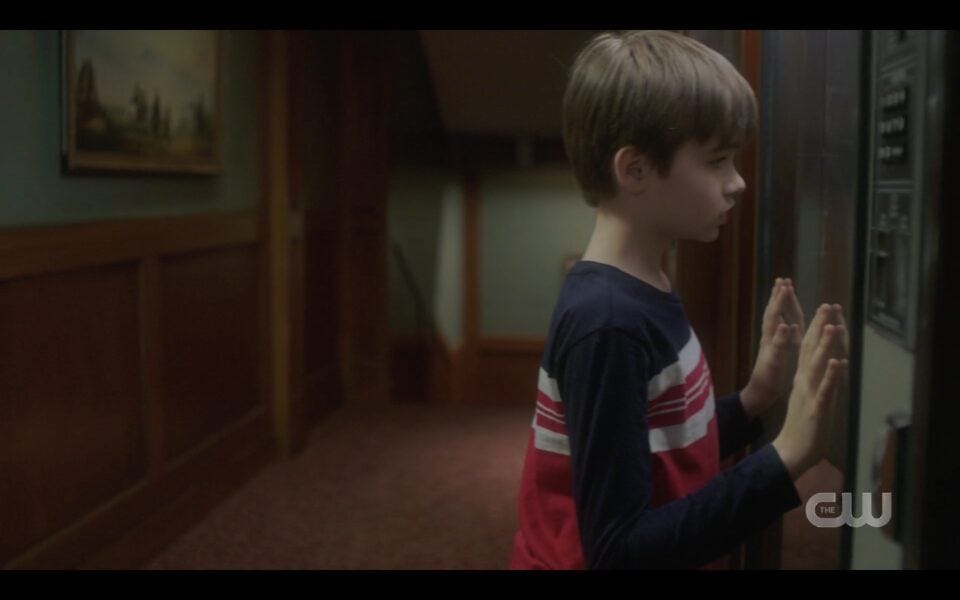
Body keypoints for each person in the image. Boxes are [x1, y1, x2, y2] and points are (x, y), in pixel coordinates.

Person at [508, 30, 850, 570]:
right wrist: (785, 459)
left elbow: (658, 447)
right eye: (716, 161)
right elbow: (620, 551)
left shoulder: (644, 286)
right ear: (635, 170)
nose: (737, 183)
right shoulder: (608, 323)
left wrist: (755, 399)